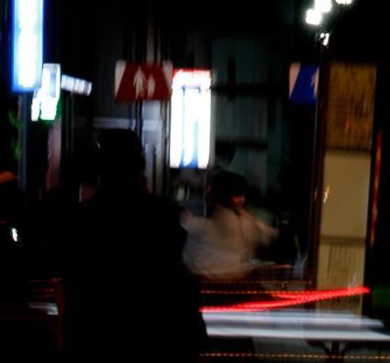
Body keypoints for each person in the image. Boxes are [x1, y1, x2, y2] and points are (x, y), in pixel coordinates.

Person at [59, 129, 204, 360]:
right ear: (140, 166)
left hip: (96, 337)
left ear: (101, 168)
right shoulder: (164, 215)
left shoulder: (83, 218)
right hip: (156, 337)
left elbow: (73, 280)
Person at [183, 170, 277, 281]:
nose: (241, 199)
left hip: (203, 290)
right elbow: (270, 235)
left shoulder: (197, 228)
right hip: (239, 287)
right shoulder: (250, 224)